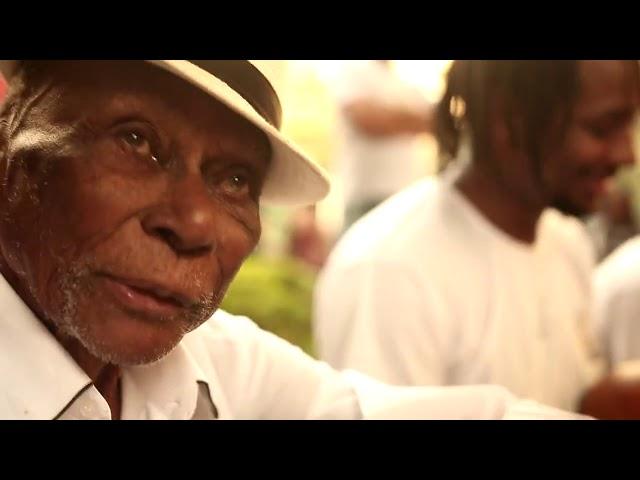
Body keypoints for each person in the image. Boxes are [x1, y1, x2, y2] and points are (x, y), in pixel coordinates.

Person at [0, 60, 579, 420]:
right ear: (11, 127)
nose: (196, 222)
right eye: (135, 140)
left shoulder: (219, 362)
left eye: (235, 179)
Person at [314, 60, 640, 415]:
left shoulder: (568, 243)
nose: (627, 154)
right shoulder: (390, 270)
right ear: (510, 116)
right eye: (601, 129)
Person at [333, 60, 433, 229]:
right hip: (366, 199)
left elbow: (434, 122)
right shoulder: (354, 70)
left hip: (404, 201)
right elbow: (367, 120)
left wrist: (393, 116)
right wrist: (412, 118)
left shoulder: (404, 82)